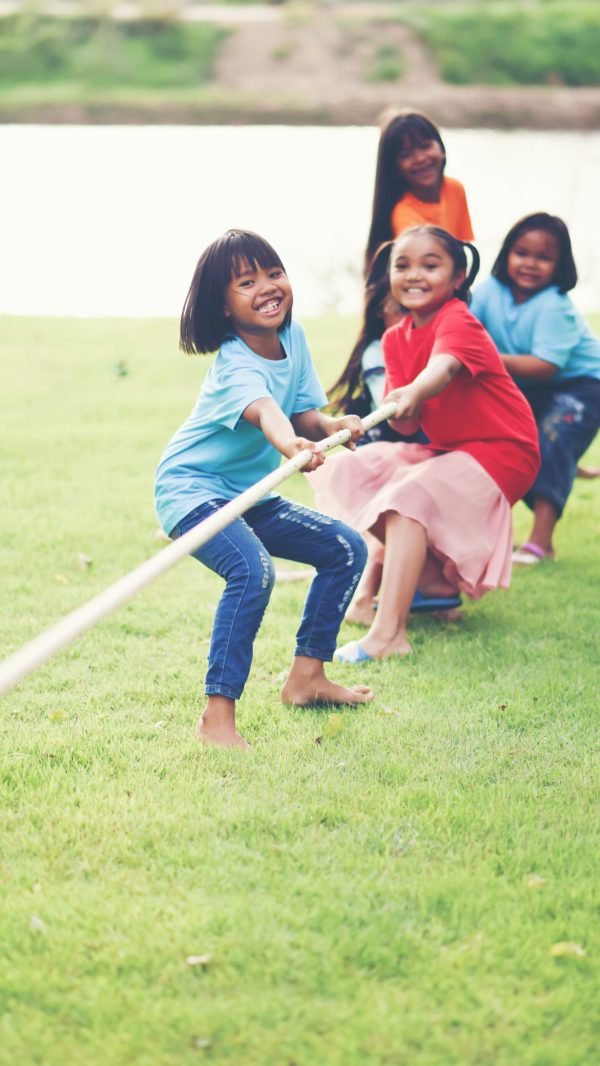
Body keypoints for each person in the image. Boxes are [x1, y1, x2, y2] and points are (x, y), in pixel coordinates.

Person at [154, 229, 372, 748]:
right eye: (246, 282)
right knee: (252, 572)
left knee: (346, 548)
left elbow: (299, 410)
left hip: (248, 494)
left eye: (273, 274)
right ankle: (217, 717)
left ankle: (307, 678)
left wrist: (330, 425)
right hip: (192, 491)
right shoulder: (234, 362)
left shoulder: (291, 339)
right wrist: (293, 444)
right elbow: (269, 414)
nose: (267, 288)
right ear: (222, 307)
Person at [305, 225, 540, 663]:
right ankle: (432, 581)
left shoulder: (459, 319)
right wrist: (401, 402)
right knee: (347, 469)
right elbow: (410, 425)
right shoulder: (395, 338)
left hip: (503, 448)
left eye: (430, 266)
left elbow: (443, 369)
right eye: (403, 265)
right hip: (450, 448)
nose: (415, 275)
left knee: (407, 497)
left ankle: (389, 634)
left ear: (457, 279)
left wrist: (415, 389)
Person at [313, 241, 462, 623]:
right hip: (391, 444)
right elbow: (394, 405)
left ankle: (430, 595)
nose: (408, 316)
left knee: (410, 518)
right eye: (398, 309)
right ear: (382, 310)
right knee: (388, 517)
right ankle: (365, 600)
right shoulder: (383, 348)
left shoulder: (442, 334)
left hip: (418, 447)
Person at [470, 212, 600, 563]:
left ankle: (541, 542)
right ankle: (487, 533)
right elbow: (466, 330)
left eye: (543, 257)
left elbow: (545, 366)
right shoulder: (488, 292)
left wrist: (487, 357)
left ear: (560, 265)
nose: (530, 263)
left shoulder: (556, 306)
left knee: (553, 439)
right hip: (523, 382)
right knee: (503, 446)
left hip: (582, 384)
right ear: (505, 254)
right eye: (521, 253)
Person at [364, 110, 474, 271]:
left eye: (425, 146)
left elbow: (464, 251)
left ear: (441, 148)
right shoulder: (403, 214)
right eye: (406, 154)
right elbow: (428, 272)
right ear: (395, 168)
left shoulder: (454, 188)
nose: (420, 158)